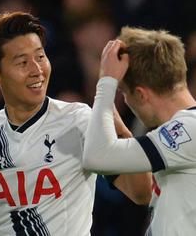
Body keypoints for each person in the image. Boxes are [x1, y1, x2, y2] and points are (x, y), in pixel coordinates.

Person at [0, 12, 151, 236]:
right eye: (22, 62)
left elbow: (141, 193)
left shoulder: (78, 119)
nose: (37, 70)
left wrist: (111, 117)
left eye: (40, 57)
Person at [84, 26, 196, 235]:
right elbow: (142, 193)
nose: (125, 100)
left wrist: (105, 84)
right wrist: (118, 128)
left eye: (124, 92)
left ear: (141, 95)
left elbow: (96, 157)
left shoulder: (189, 128)